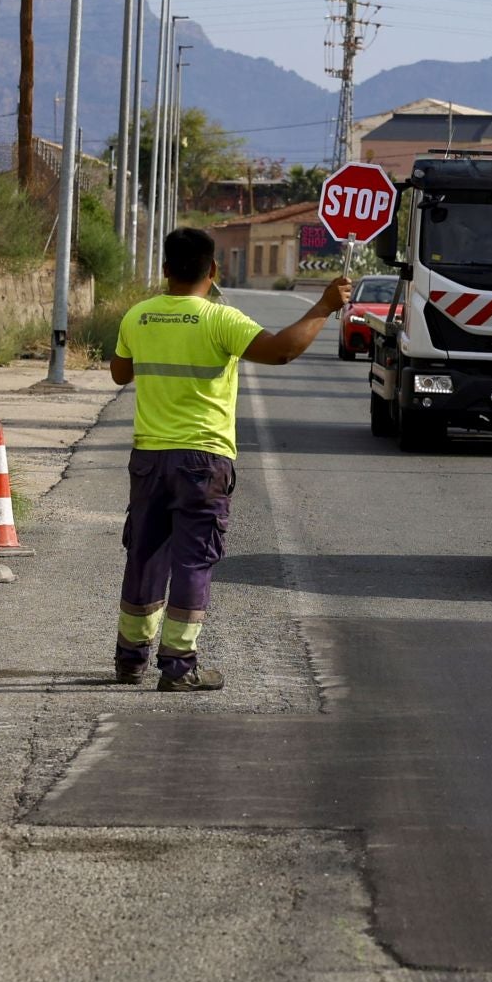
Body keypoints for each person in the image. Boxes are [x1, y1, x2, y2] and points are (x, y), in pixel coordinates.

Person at [109, 228, 350, 692]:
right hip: (203, 462)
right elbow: (282, 351)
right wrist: (323, 307)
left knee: (144, 556)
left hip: (149, 459)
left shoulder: (137, 316)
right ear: (213, 270)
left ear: (164, 270)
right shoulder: (220, 320)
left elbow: (120, 373)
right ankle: (178, 666)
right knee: (194, 562)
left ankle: (130, 660)